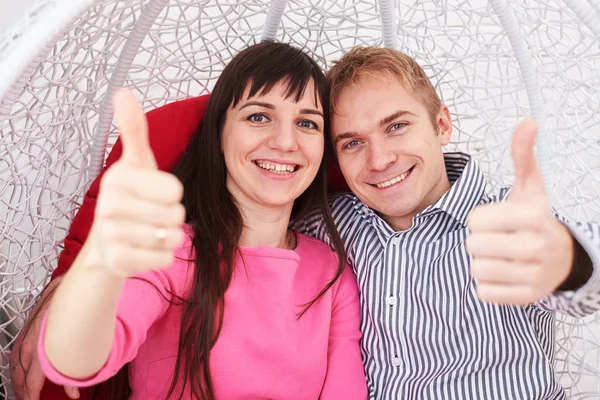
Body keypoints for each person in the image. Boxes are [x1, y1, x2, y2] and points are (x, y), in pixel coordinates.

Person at [35, 41, 368, 399]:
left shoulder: (333, 272)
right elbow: (76, 361)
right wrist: (100, 262)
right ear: (220, 133)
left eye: (307, 123)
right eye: (259, 116)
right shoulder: (171, 251)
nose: (286, 141)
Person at [295, 46, 600, 399]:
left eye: (396, 126)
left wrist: (565, 259)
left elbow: (588, 285)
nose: (378, 160)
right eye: (352, 143)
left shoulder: (505, 217)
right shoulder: (328, 224)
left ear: (441, 125)